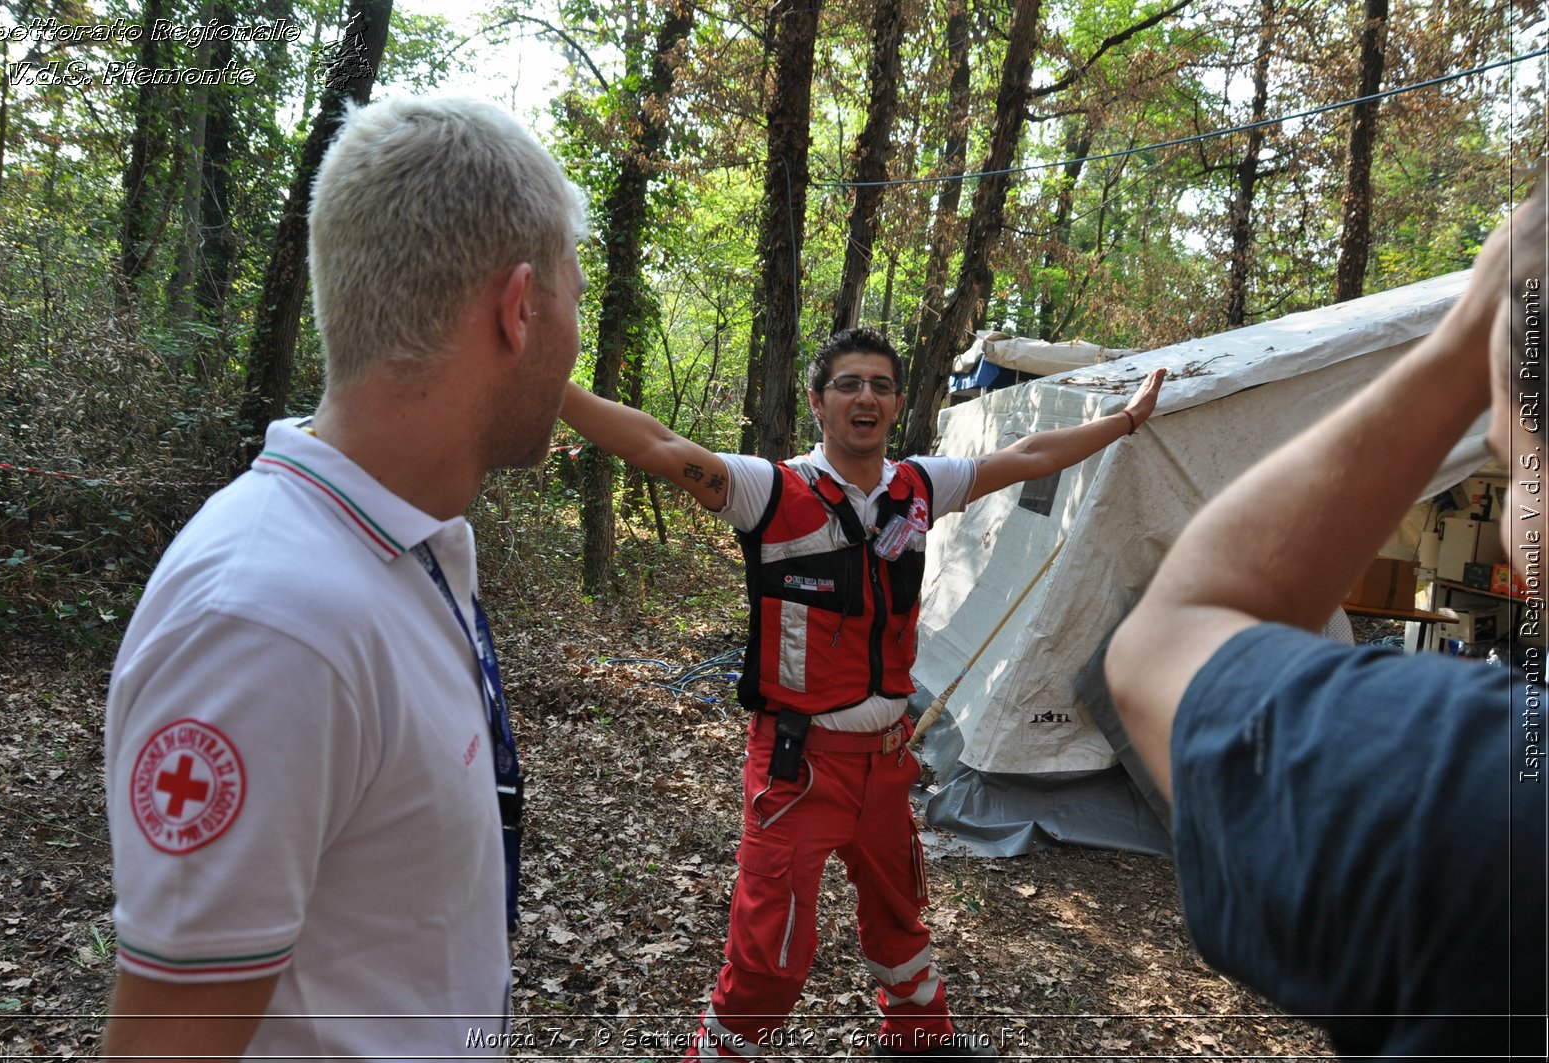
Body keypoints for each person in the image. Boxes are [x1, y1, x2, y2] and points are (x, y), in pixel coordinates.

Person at [102, 96, 587, 1057]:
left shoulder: (400, 547)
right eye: (576, 298)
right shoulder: (271, 623)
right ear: (517, 307)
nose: (576, 337)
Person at [560, 327, 1165, 1058]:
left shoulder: (917, 487)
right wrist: (550, 387)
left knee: (900, 914)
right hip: (798, 768)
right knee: (771, 954)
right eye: (848, 384)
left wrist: (1125, 421)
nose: (866, 397)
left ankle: (918, 1040)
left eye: (880, 384)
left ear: (899, 401)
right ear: (818, 402)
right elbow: (655, 445)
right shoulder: (769, 491)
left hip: (885, 764)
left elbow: (1025, 458)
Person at [1105, 178, 1548, 1059]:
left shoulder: (1491, 800)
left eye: (1513, 463)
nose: (1504, 514)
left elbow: (1169, 632)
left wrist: (1470, 335)